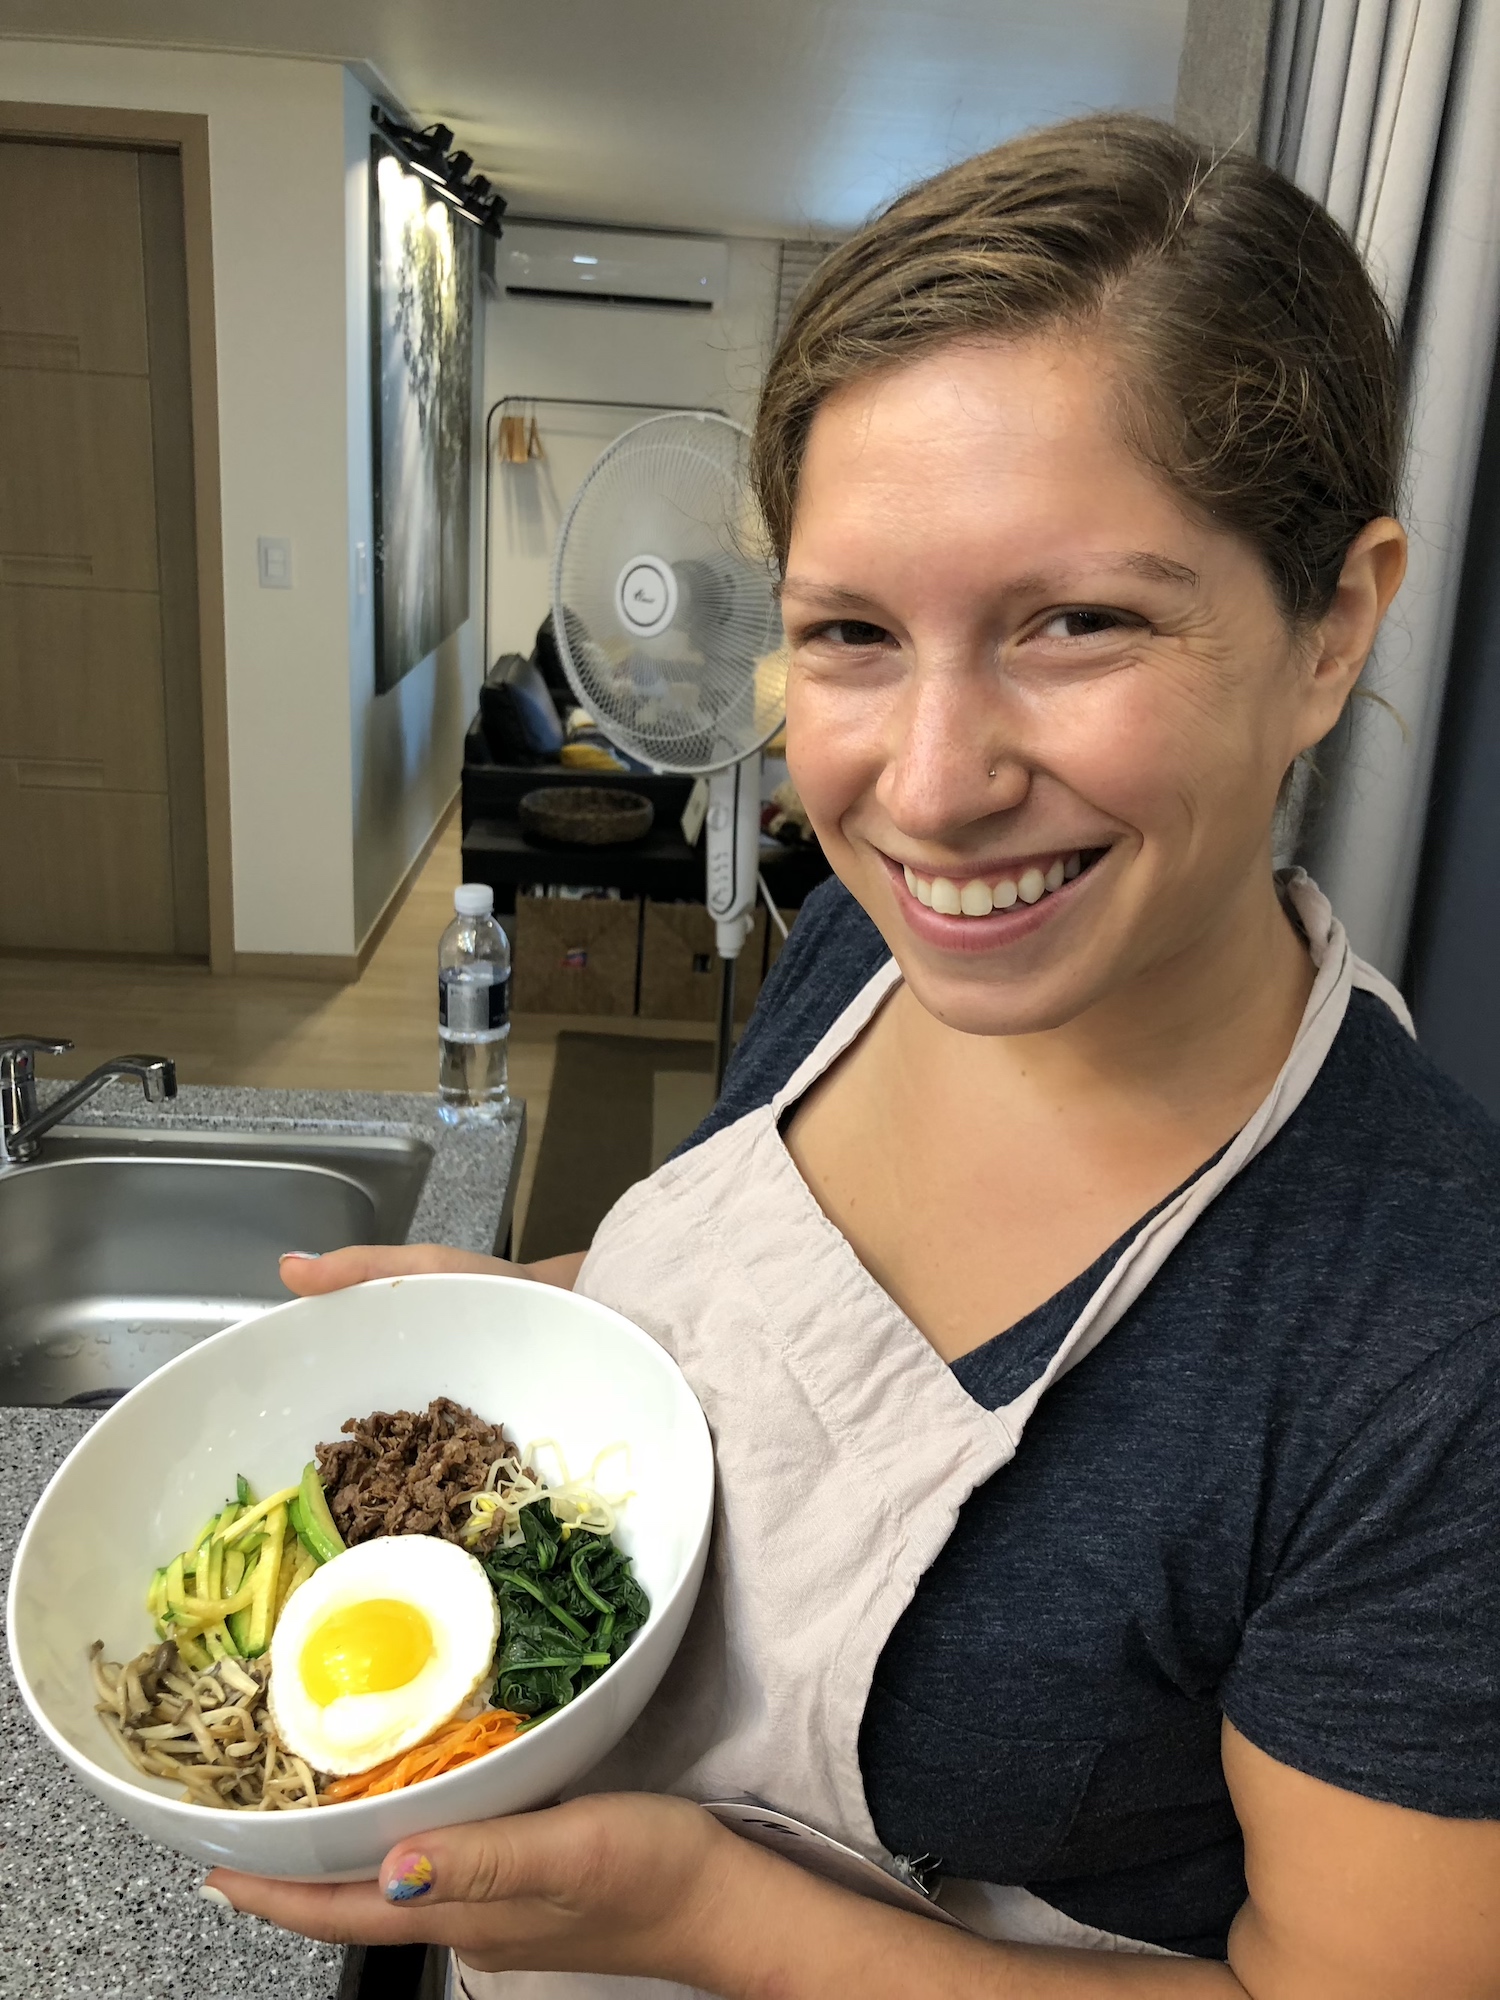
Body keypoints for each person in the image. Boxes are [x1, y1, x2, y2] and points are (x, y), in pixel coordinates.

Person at [214, 115, 1500, 1997]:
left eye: (1078, 622)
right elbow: (805, 1330)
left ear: (1334, 626)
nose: (930, 788)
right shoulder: (860, 948)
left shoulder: (1423, 1347)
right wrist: (537, 1317)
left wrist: (706, 1919)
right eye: (852, 634)